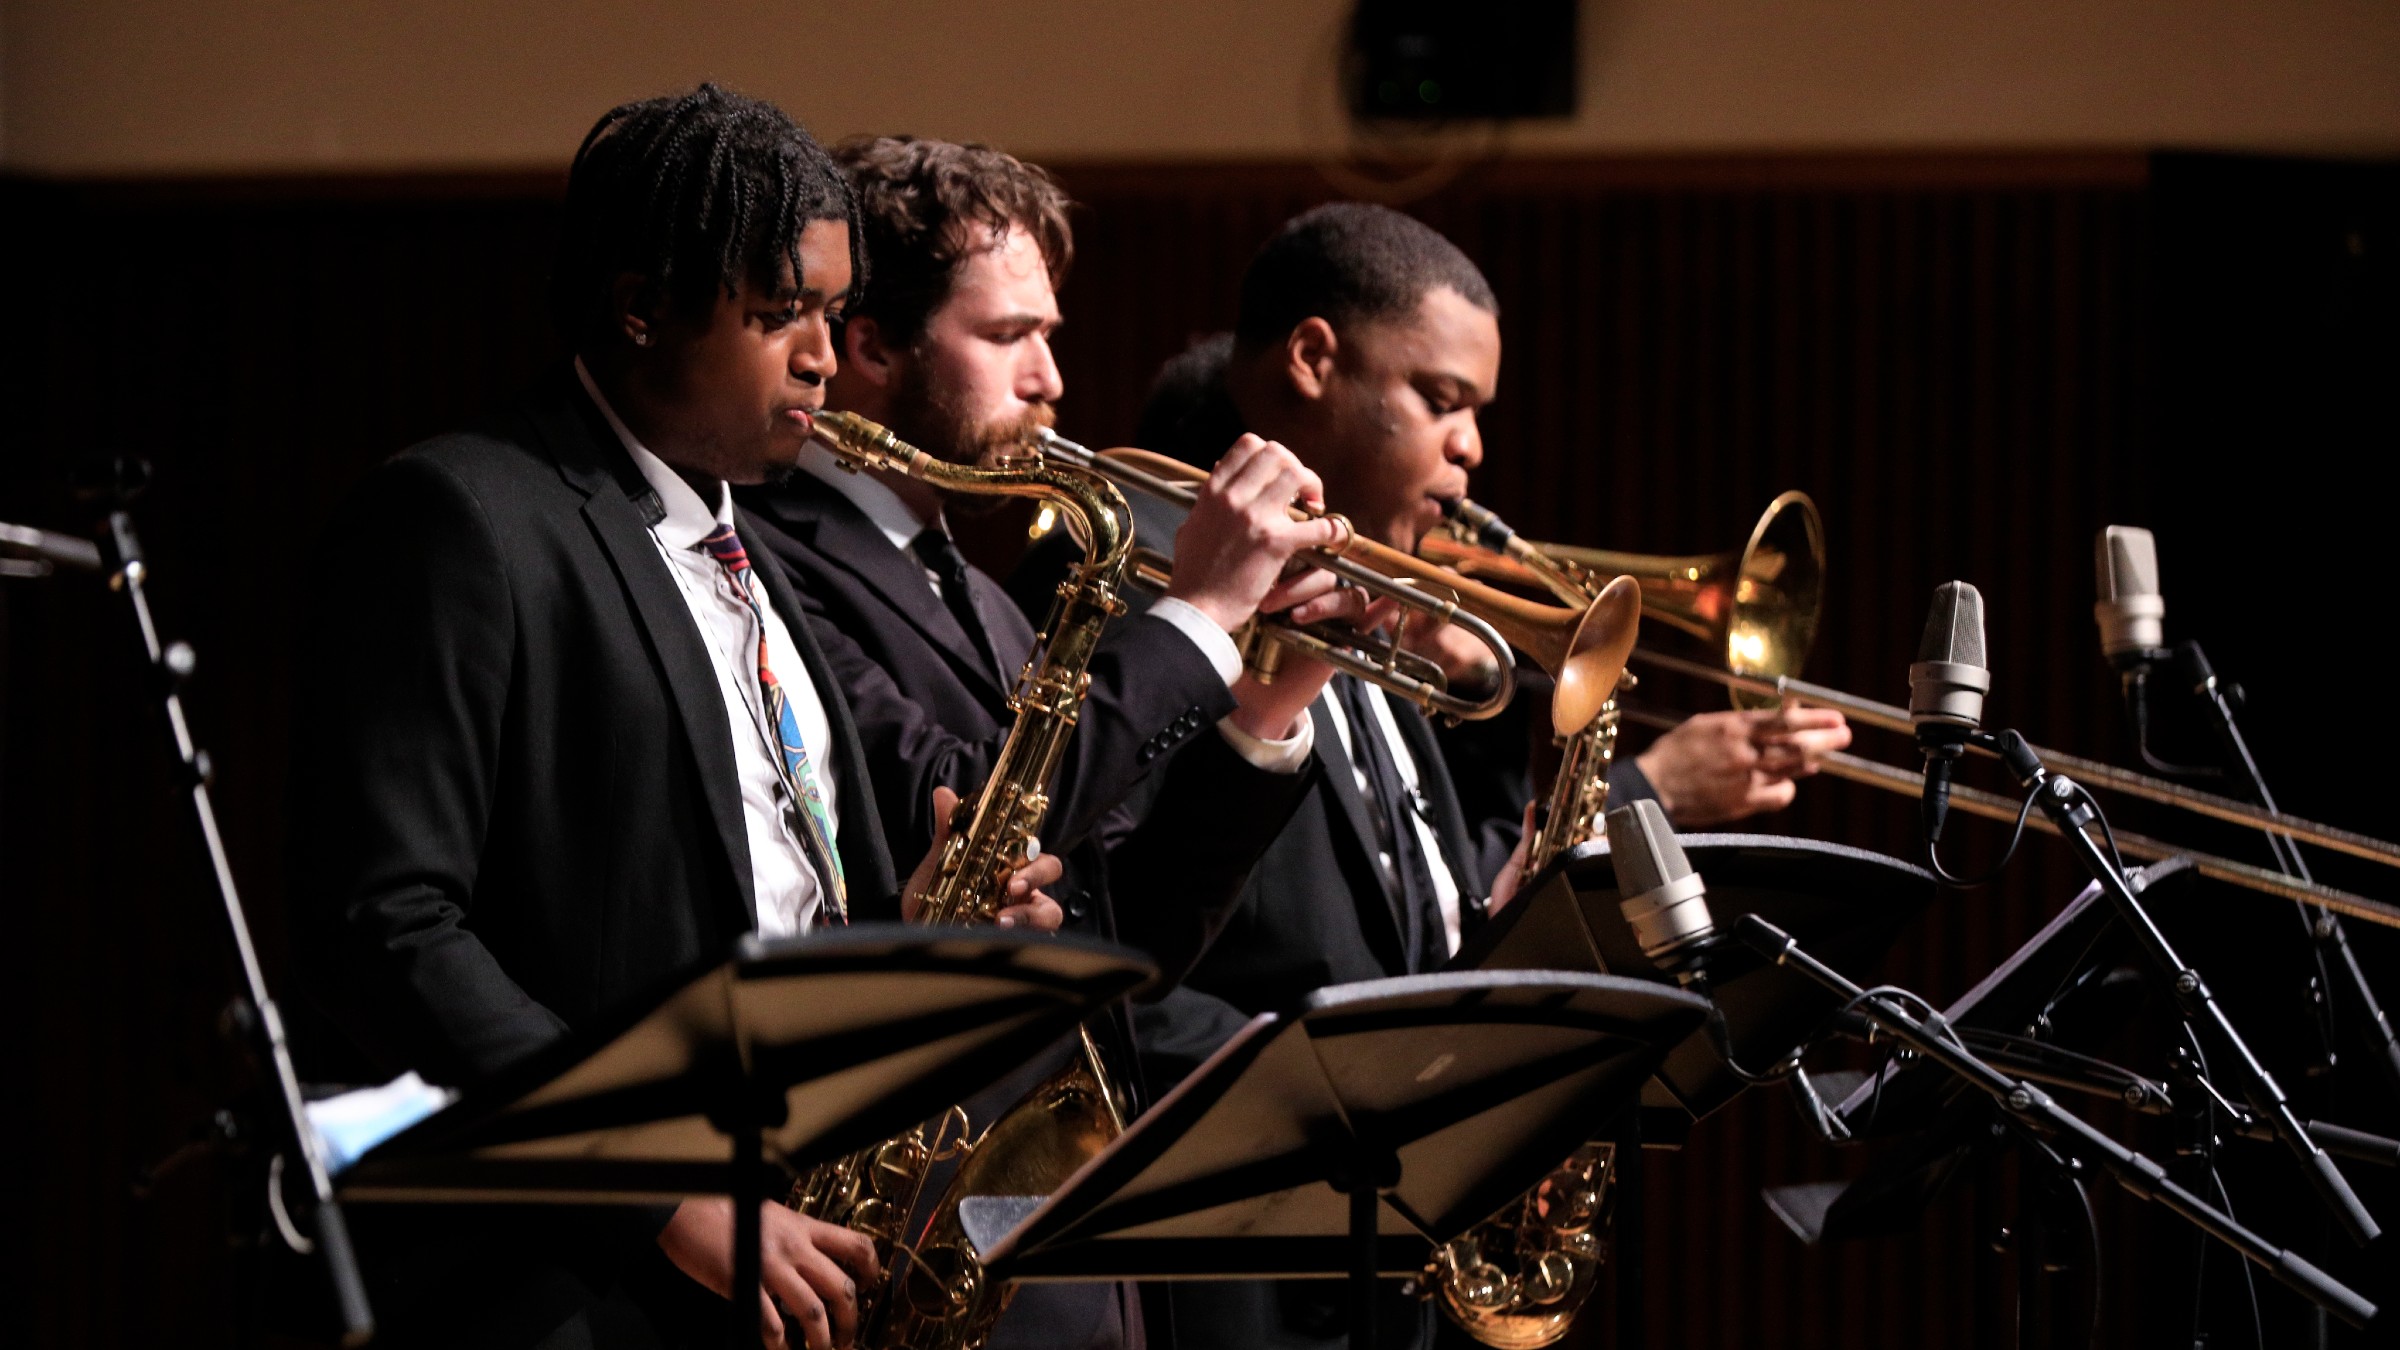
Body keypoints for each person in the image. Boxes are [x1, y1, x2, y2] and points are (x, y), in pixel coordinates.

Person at [289, 89, 1336, 1350]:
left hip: (807, 1247)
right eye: (777, 314)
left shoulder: (748, 552)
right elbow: (388, 923)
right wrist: (658, 1186)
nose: (823, 358)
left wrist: (916, 927)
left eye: (832, 316)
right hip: (591, 1277)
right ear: (640, 307)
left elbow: (767, 883)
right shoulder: (464, 513)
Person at [1095, 203, 1853, 1350]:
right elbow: (1109, 952)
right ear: (1312, 361)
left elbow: (1448, 905)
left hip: (1389, 1268)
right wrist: (1350, 1094)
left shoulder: (1388, 612)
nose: (1473, 450)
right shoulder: (1152, 590)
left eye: (1477, 413)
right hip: (1239, 1277)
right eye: (1441, 402)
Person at [735, 136, 1348, 1350]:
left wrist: (1268, 710)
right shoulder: (769, 567)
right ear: (868, 348)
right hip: (901, 1231)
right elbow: (960, 814)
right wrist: (1203, 612)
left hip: (1055, 1230)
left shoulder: (990, 593)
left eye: (1050, 335)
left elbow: (1128, 940)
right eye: (1008, 336)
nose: (1050, 378)